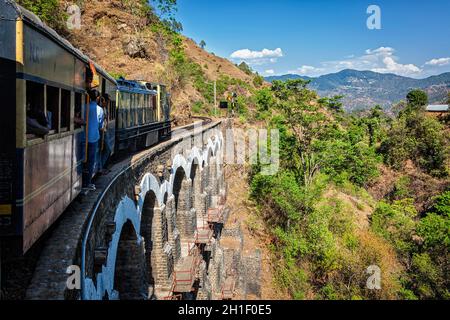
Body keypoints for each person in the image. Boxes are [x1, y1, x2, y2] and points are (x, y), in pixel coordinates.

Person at [82, 89, 103, 192]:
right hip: (93, 137)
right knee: (91, 161)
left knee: (82, 160)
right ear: (98, 98)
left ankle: (81, 181)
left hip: (82, 137)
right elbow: (100, 125)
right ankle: (88, 182)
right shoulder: (99, 109)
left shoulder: (83, 107)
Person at [99, 94, 112, 174]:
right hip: (102, 131)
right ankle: (101, 167)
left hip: (105, 131)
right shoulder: (101, 109)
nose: (107, 103)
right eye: (107, 102)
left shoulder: (105, 109)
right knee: (107, 150)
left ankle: (103, 167)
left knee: (106, 150)